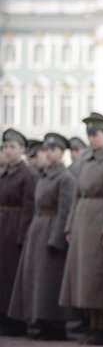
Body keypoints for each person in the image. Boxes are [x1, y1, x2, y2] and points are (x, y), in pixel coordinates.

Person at [59, 113, 103, 345]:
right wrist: (70, 226)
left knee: (100, 278)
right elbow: (77, 195)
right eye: (88, 133)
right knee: (85, 278)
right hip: (83, 221)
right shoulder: (86, 160)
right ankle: (93, 325)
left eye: (95, 133)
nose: (91, 138)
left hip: (100, 221)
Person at [8, 133, 77, 341]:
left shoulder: (65, 178)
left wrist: (57, 238)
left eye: (54, 150)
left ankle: (56, 324)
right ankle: (42, 320)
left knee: (51, 281)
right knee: (37, 280)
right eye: (47, 150)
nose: (50, 154)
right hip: (38, 230)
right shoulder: (45, 176)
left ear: (61, 152)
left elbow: (65, 210)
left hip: (51, 230)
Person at [0, 130, 39, 336]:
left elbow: (29, 207)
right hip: (3, 226)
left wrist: (22, 236)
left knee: (13, 276)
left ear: (22, 150)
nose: (8, 151)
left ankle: (15, 320)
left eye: (12, 147)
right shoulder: (5, 173)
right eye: (5, 147)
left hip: (15, 228)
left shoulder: (28, 174)